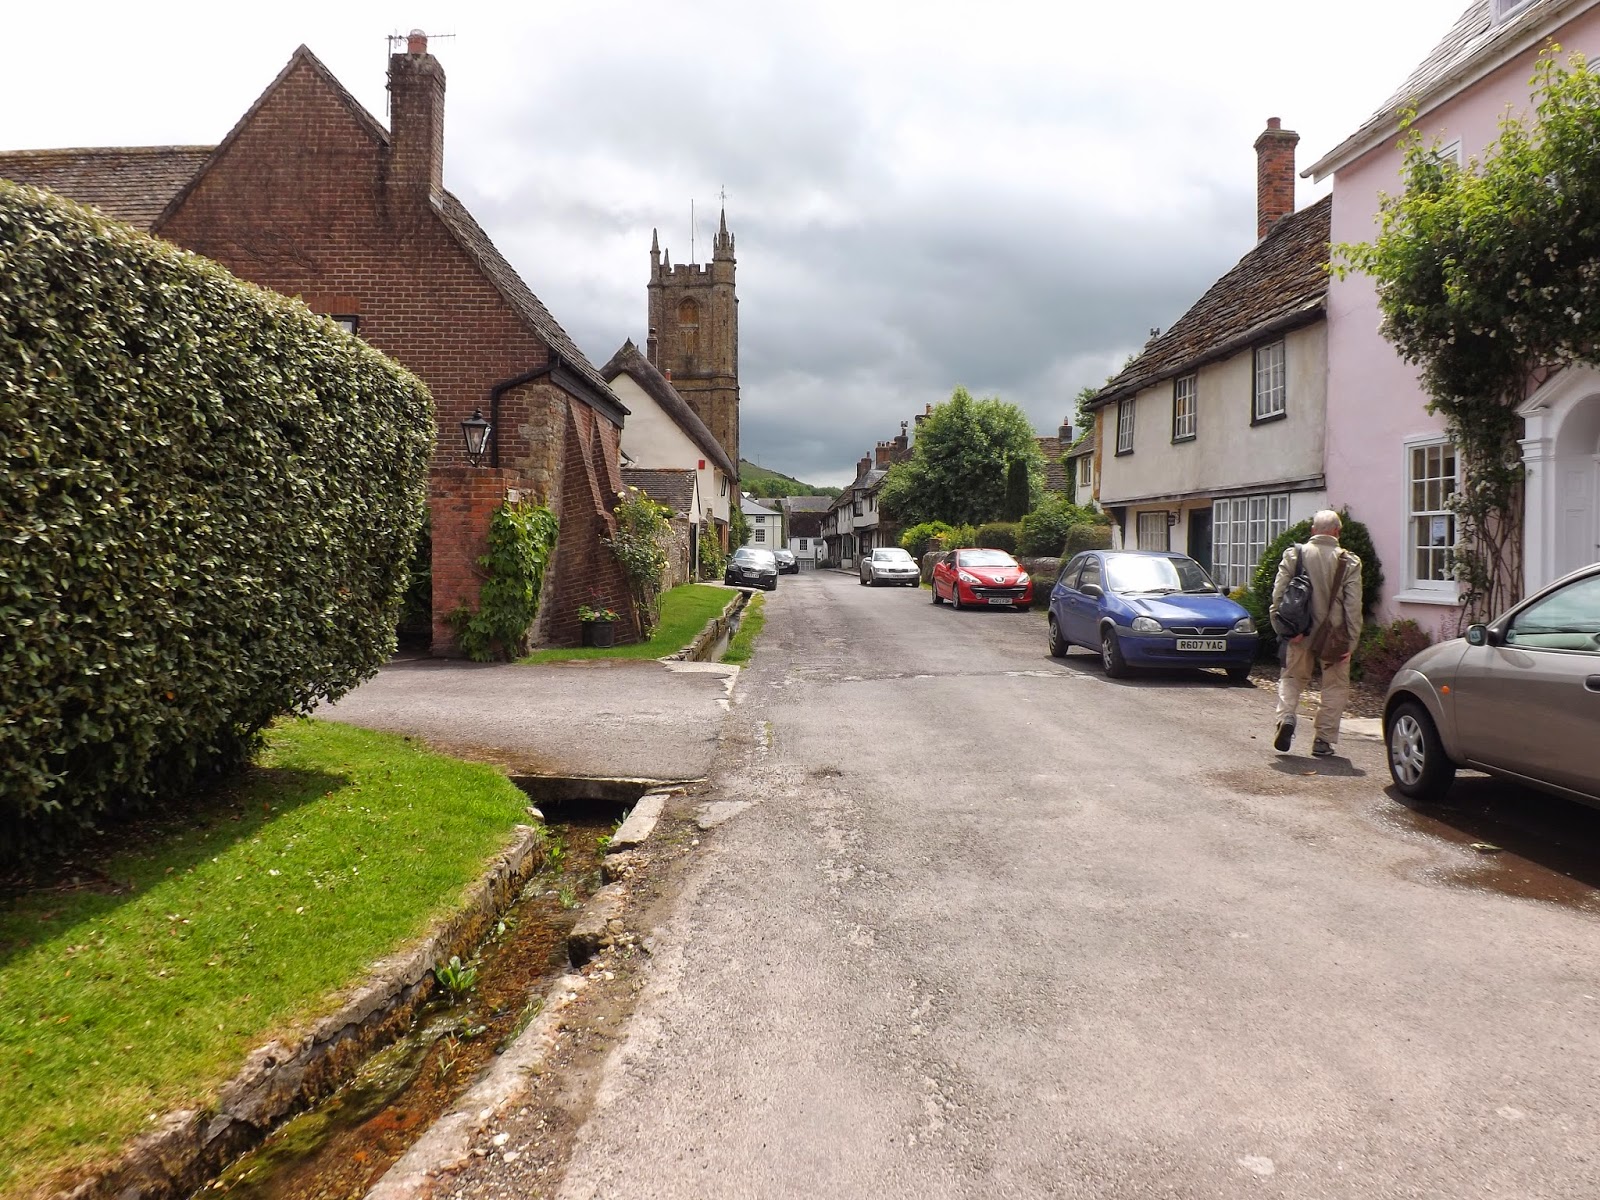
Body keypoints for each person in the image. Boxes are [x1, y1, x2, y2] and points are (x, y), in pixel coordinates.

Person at [1270, 510, 1362, 756]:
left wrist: (1284, 630)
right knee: (1334, 687)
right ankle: (1322, 740)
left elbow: (1278, 595)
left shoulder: (1294, 554)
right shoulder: (1348, 561)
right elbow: (1353, 606)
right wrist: (1350, 644)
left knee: (1291, 678)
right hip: (1334, 635)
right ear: (1337, 532)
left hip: (1299, 632)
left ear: (1313, 531)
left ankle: (1287, 717)